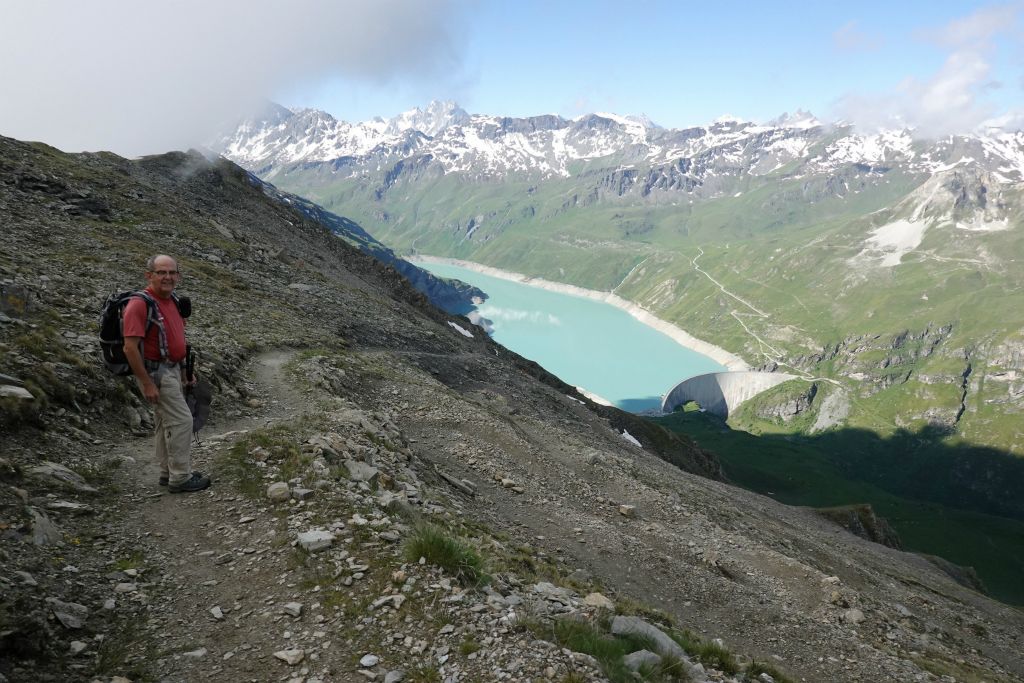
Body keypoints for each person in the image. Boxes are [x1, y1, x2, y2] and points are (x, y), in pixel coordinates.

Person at [123, 254, 210, 493]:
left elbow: (177, 338)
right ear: (149, 275)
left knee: (164, 422)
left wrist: (184, 371)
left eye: (172, 272)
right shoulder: (139, 304)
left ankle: (166, 472)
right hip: (156, 373)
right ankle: (181, 477)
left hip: (172, 368)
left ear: (178, 276)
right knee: (183, 420)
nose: (168, 277)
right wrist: (146, 383)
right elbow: (130, 347)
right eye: (161, 272)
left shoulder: (172, 301)